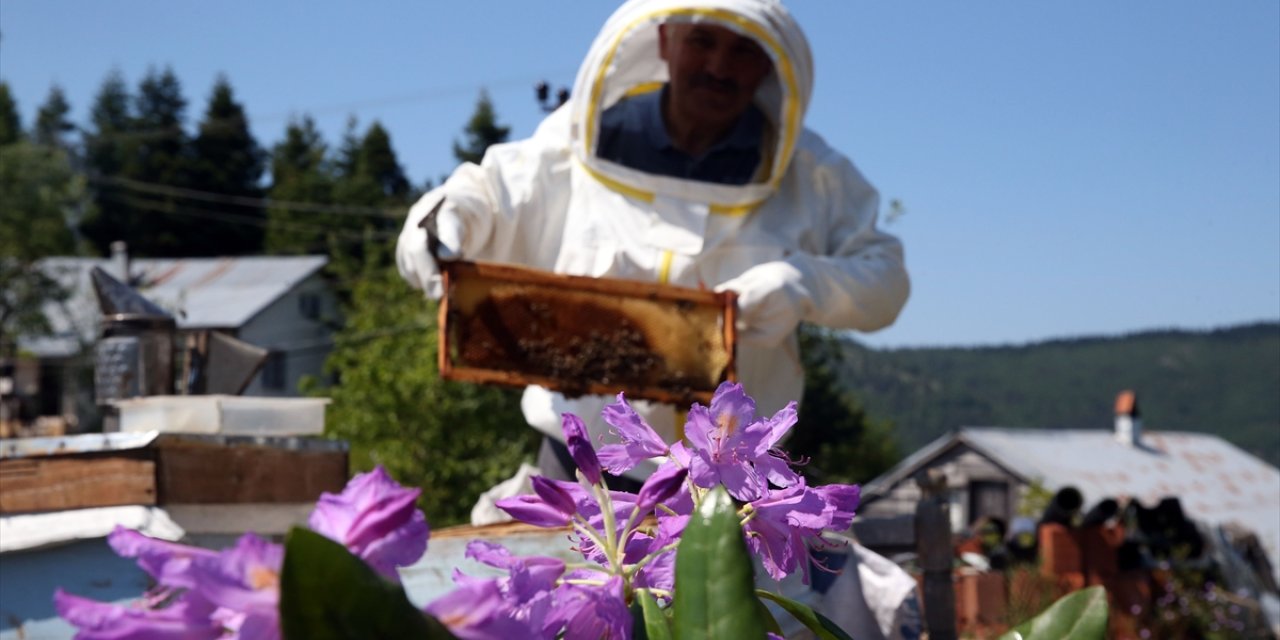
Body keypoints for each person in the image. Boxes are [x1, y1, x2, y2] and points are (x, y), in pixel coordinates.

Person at [396, 0, 910, 486]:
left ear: (770, 67)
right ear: (664, 40)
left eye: (743, 51)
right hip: (580, 465)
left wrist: (802, 283)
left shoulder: (812, 173)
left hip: (730, 478)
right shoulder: (574, 140)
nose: (719, 66)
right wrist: (440, 230)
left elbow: (886, 278)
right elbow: (482, 196)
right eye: (702, 41)